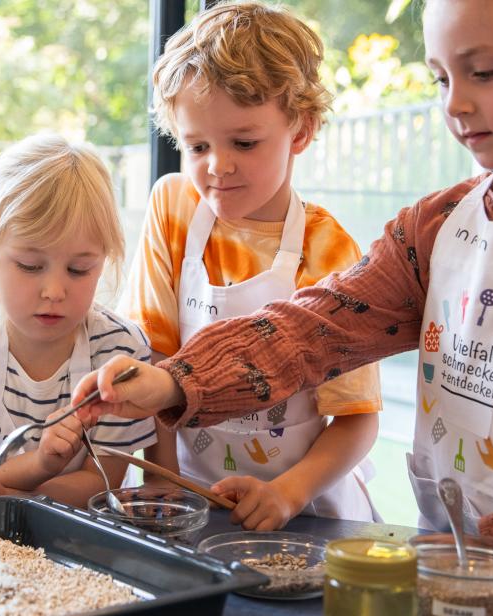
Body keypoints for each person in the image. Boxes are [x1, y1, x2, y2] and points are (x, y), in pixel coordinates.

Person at [75, 0, 493, 538]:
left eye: (482, 72)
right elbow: (312, 329)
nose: (454, 104)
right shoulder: (434, 227)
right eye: (442, 78)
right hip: (444, 555)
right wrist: (174, 381)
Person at [121, 1, 383, 531]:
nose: (218, 165)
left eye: (244, 141)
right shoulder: (174, 208)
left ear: (301, 131)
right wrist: (170, 489)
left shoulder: (326, 249)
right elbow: (155, 358)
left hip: (305, 508)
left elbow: (357, 420)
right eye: (197, 145)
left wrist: (285, 493)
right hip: (191, 495)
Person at [0, 134, 157, 507]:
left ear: (104, 262)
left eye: (78, 269)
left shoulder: (120, 351)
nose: (53, 290)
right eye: (30, 266)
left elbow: (101, 488)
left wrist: (7, 490)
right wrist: (38, 465)